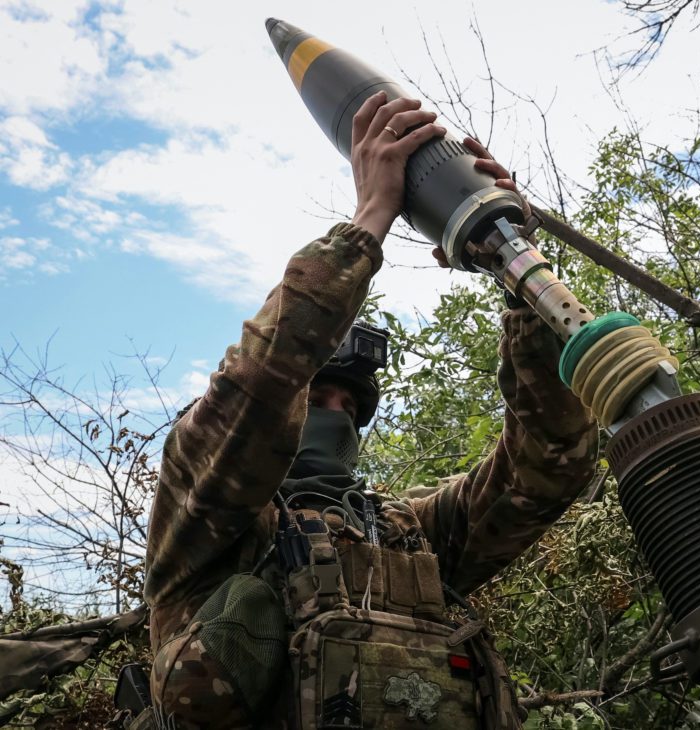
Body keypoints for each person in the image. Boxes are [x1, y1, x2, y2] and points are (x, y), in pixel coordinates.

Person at [142, 92, 599, 729]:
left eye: (347, 406)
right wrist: (369, 220)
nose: (332, 415)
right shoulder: (206, 526)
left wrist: (516, 271)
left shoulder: (411, 534)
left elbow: (548, 464)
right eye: (316, 399)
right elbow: (258, 385)